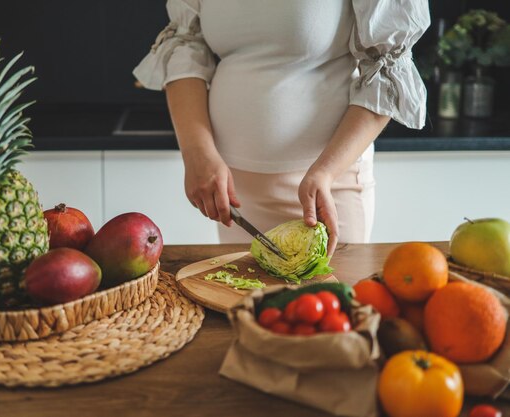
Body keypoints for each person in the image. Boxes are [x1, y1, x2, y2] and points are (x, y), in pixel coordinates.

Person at [133, 0, 430, 256]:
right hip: (234, 195)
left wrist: (325, 172)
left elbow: (389, 68)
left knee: (330, 316)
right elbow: (186, 45)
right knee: (240, 316)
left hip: (325, 190)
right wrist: (196, 153)